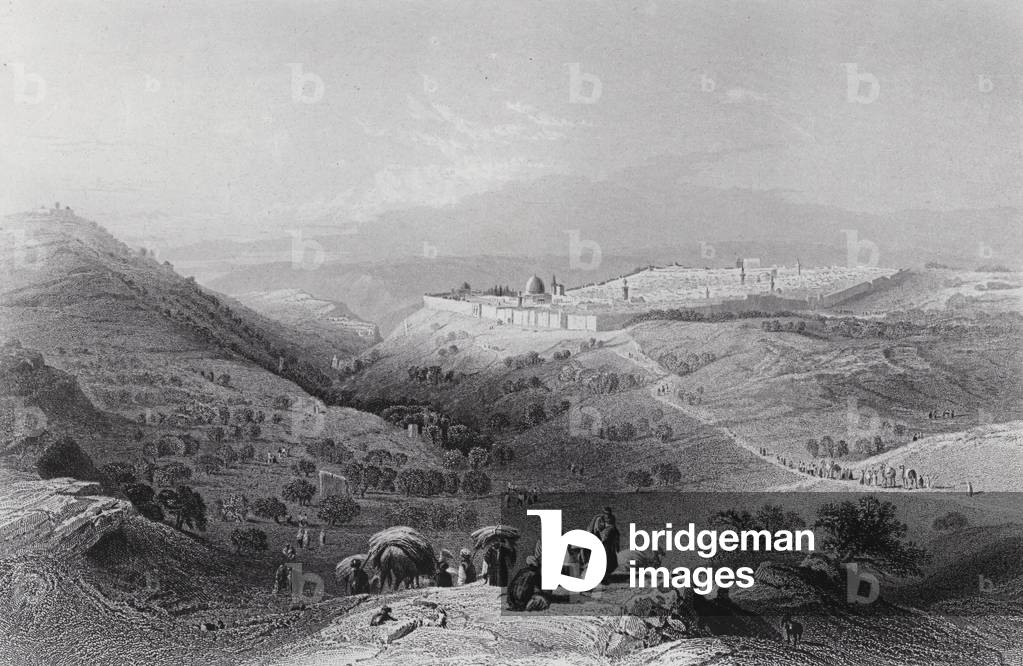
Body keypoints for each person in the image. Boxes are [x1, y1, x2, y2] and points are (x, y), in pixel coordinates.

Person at [599, 509, 620, 585]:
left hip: (610, 546)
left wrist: (617, 545)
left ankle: (605, 577)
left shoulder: (612, 525)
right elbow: (599, 530)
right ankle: (603, 579)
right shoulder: (601, 519)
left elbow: (616, 536)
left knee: (612, 563)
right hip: (605, 545)